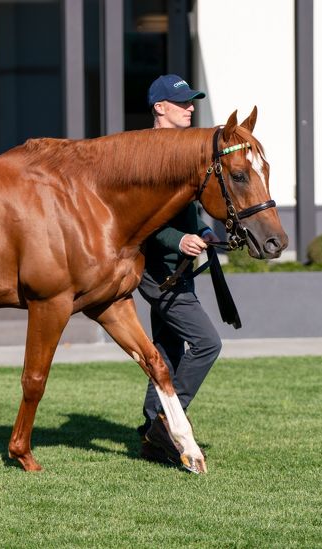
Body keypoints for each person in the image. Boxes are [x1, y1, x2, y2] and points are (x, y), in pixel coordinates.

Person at [136, 74, 221, 466]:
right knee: (207, 344)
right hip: (159, 273)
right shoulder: (144, 153)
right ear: (160, 108)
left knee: (167, 352)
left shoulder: (182, 150)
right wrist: (177, 241)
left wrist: (202, 230)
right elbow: (141, 221)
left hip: (180, 271)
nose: (190, 108)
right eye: (182, 102)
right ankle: (167, 422)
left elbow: (187, 210)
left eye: (191, 102)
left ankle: (150, 425)